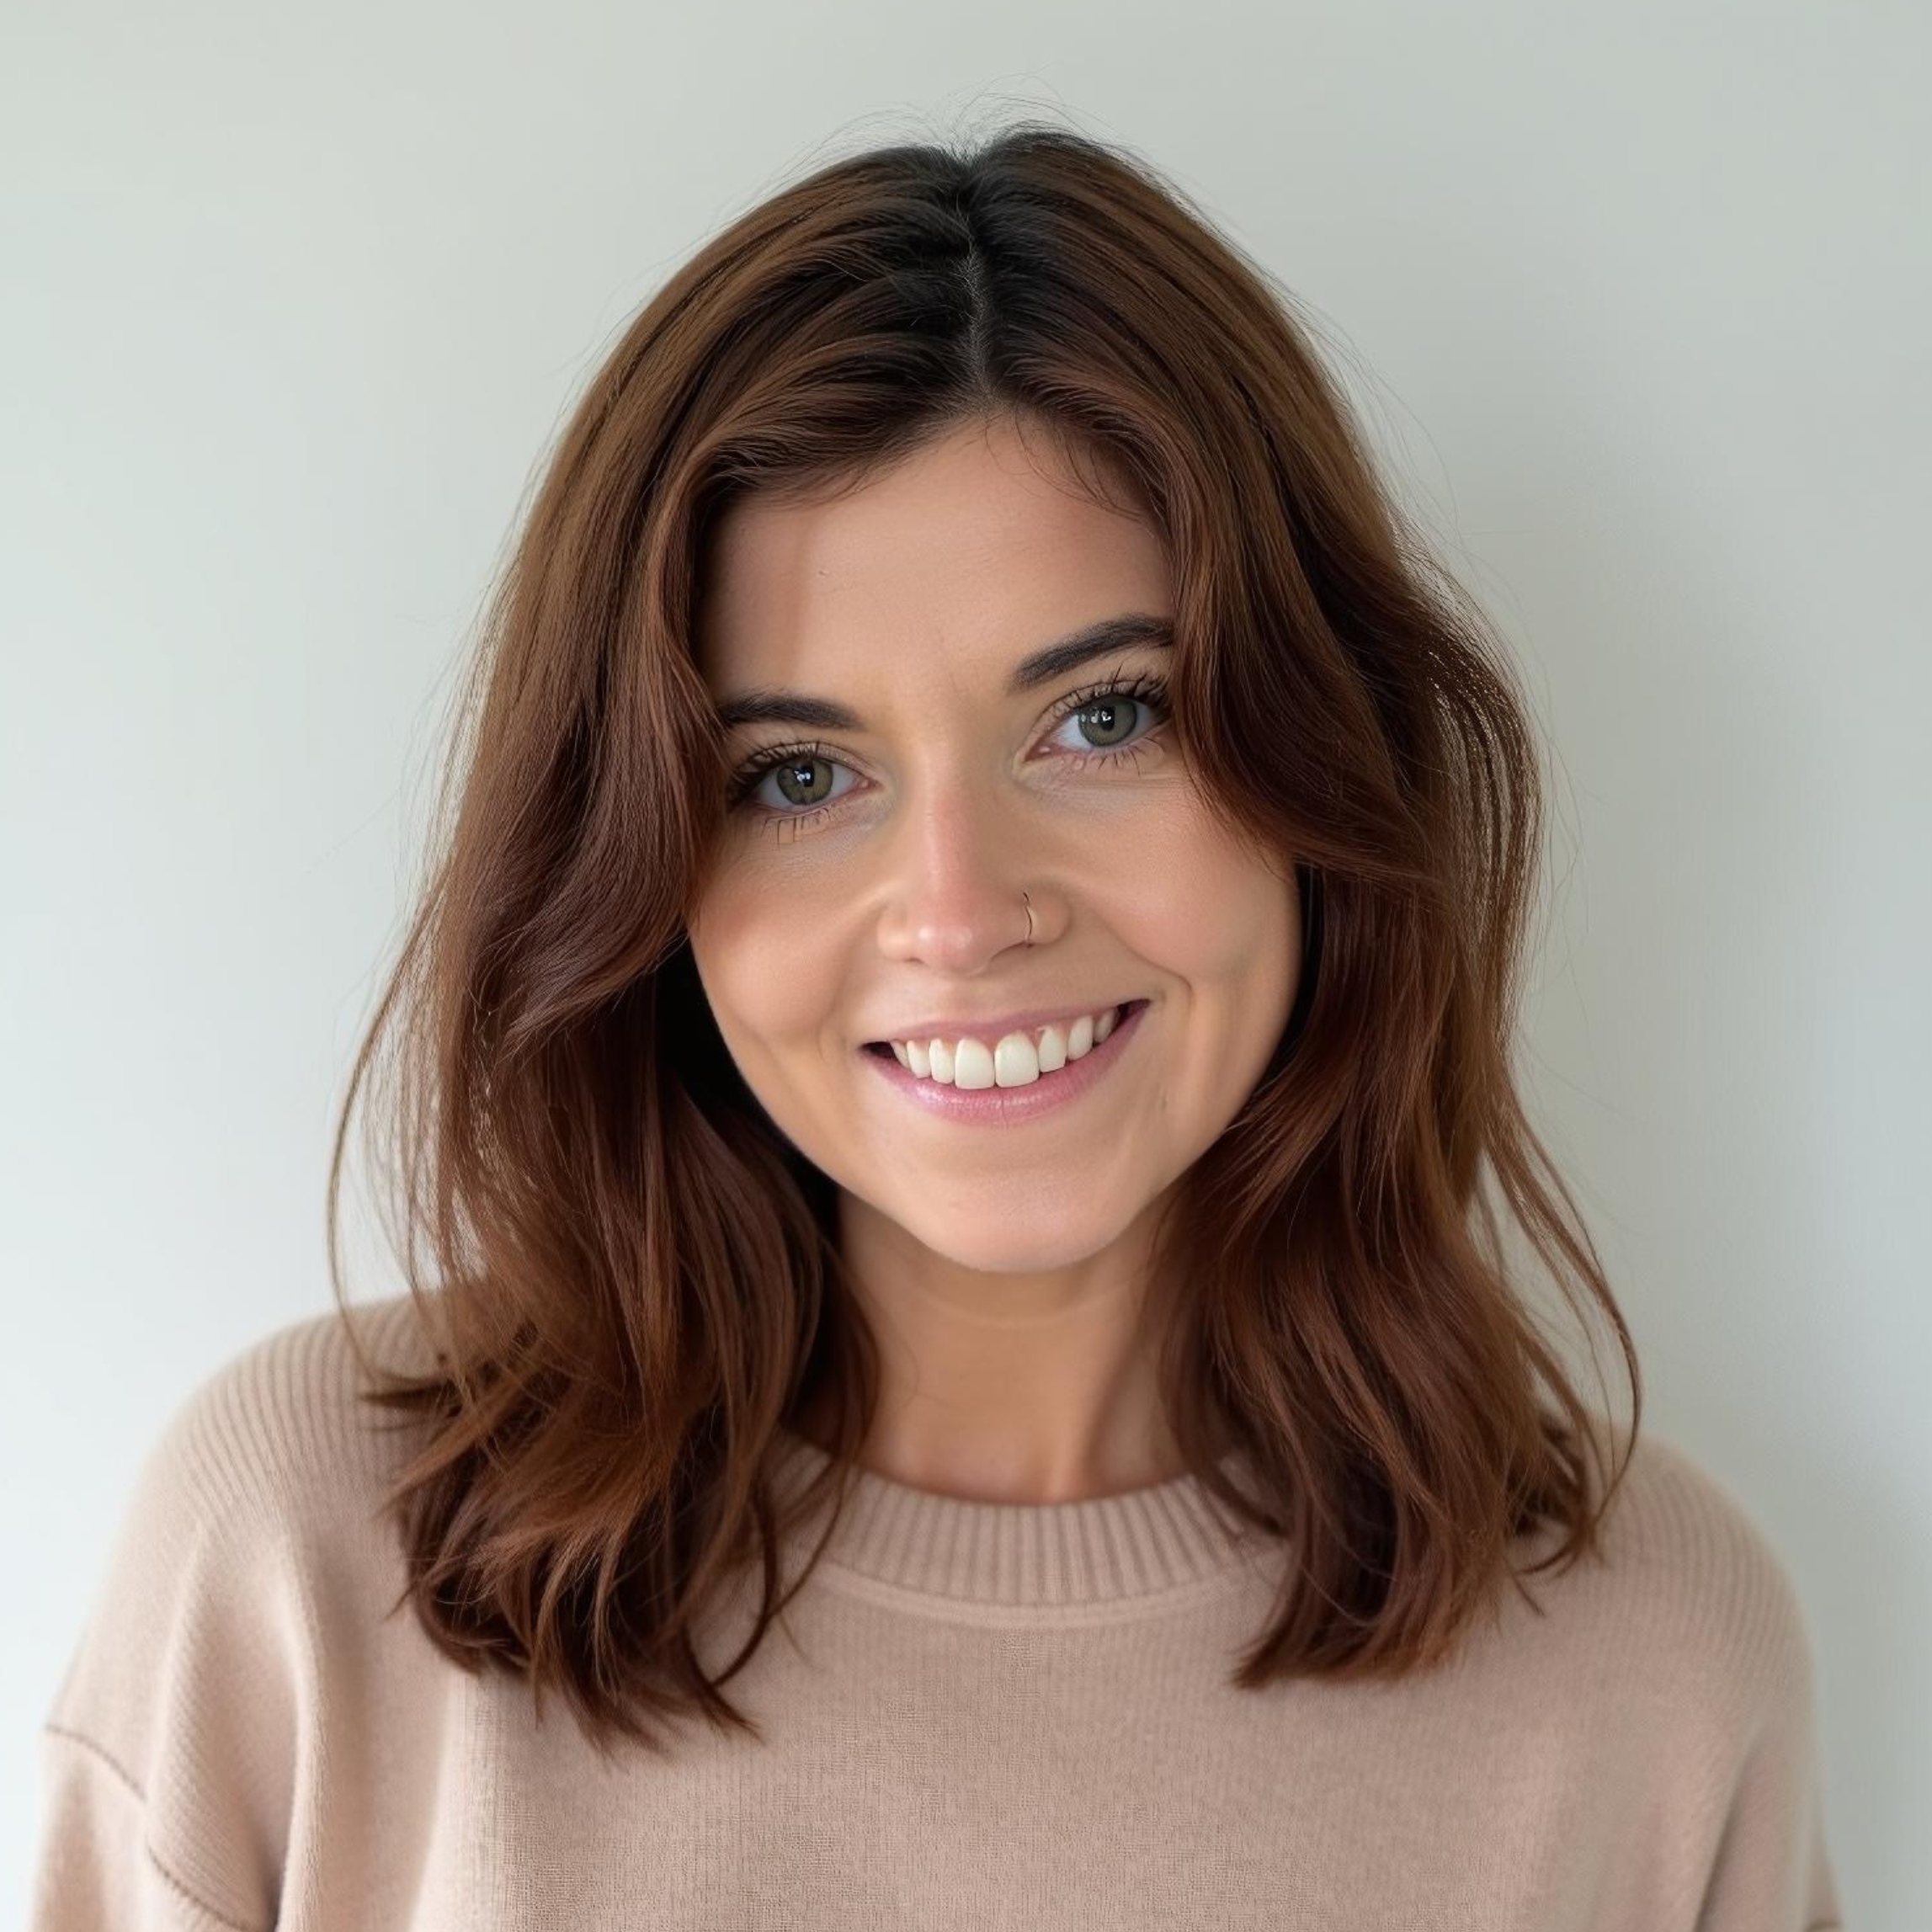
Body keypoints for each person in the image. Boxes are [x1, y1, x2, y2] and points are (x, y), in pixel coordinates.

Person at [29, 121, 1843, 1930]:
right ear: (646, 870)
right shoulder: (296, 1572)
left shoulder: (1656, 1669)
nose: (965, 914)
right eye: (801, 772)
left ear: (1320, 760)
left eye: (1107, 719)